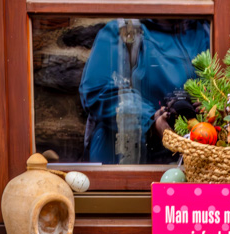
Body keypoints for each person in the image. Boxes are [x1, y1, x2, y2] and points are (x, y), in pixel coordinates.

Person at [79, 19, 210, 164]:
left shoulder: (207, 31)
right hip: (126, 163)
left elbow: (226, 89)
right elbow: (97, 90)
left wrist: (206, 106)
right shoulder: (122, 30)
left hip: (193, 162)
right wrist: (151, 121)